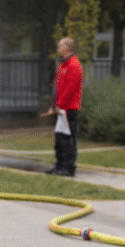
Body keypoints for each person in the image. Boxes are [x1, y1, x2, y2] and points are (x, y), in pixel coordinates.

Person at [42, 37, 83, 177]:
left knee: (68, 140)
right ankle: (59, 165)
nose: (58, 48)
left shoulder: (74, 65)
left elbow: (70, 89)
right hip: (60, 109)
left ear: (67, 47)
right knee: (59, 140)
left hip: (68, 109)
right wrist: (52, 105)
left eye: (60, 46)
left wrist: (59, 105)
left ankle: (68, 168)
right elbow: (56, 88)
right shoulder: (63, 66)